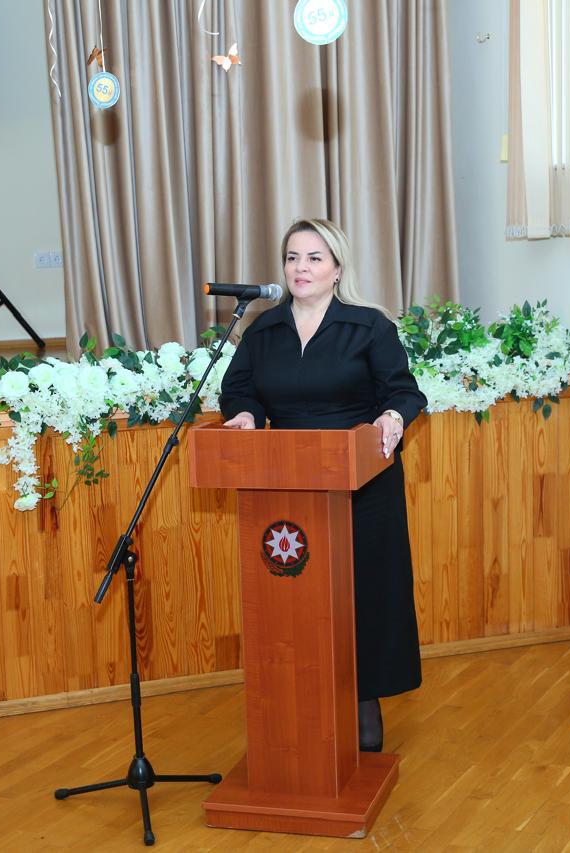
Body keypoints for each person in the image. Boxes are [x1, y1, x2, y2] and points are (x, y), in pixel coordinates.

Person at [219, 217, 426, 752]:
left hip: (362, 484)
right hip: (288, 487)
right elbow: (238, 389)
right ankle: (299, 703)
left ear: (336, 269)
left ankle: (364, 701)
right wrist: (245, 414)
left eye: (314, 257)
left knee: (364, 595)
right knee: (296, 597)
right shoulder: (263, 330)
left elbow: (403, 391)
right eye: (292, 257)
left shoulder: (368, 326)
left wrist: (391, 418)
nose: (300, 268)